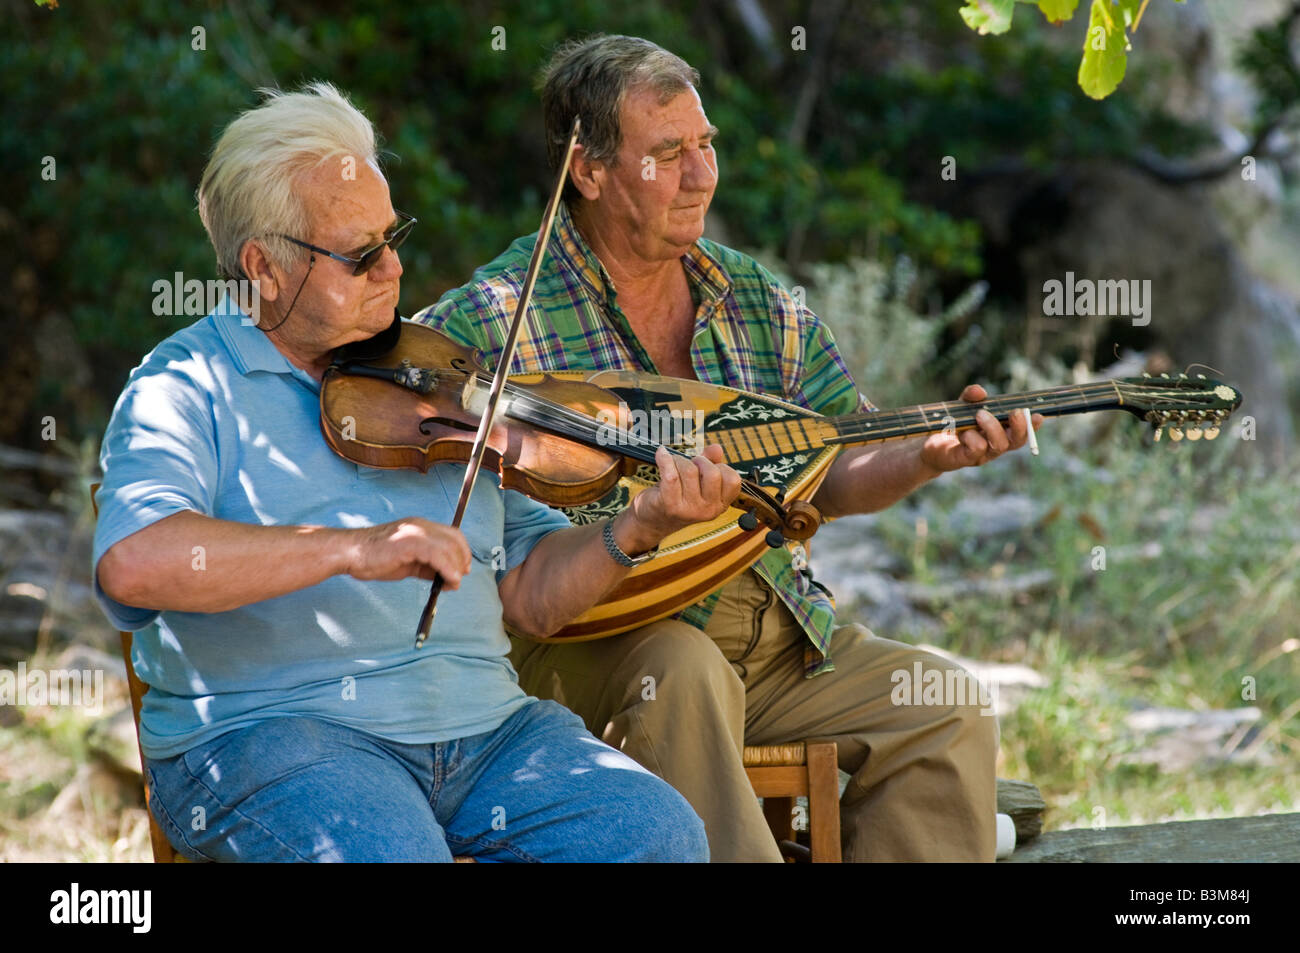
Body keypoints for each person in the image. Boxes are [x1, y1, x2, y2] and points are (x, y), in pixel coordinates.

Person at [417, 35, 1042, 863]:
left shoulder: (749, 296)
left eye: (705, 145)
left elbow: (836, 458)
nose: (702, 174)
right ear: (590, 172)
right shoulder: (491, 321)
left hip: (779, 635)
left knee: (946, 707)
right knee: (682, 669)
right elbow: (442, 500)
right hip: (599, 647)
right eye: (667, 152)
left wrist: (929, 453)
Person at [91, 81, 742, 863]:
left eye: (393, 238)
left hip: (490, 734)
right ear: (263, 266)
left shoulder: (438, 380)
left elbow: (532, 595)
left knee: (660, 836)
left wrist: (637, 529)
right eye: (361, 256)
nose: (394, 270)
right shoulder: (185, 383)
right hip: (277, 735)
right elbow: (136, 561)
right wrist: (350, 548)